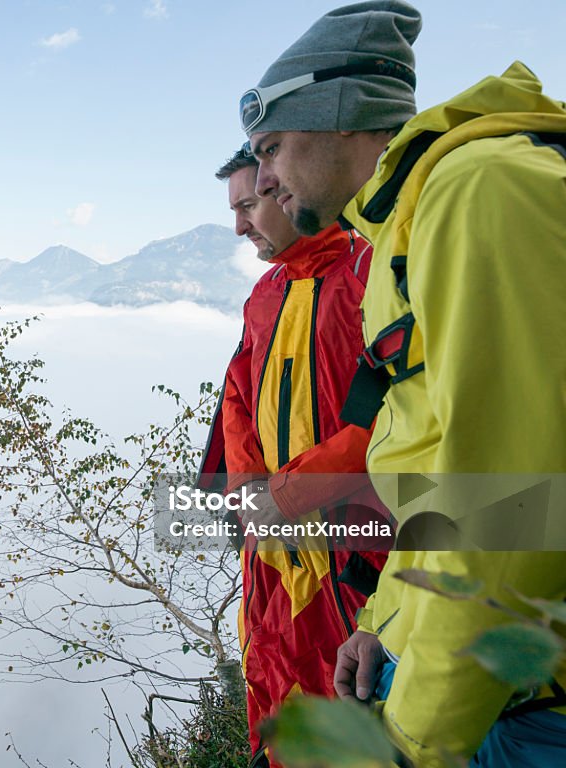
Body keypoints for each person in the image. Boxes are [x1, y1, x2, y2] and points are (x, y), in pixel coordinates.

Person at [241, 1, 566, 765]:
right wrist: (383, 623)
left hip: (528, 703)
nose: (264, 181)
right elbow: (427, 459)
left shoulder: (478, 190)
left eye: (273, 147)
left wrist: (413, 739)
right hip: (483, 684)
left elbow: (513, 503)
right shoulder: (400, 230)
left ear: (344, 116)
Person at [200, 148, 386, 767]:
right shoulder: (265, 294)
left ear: (288, 191)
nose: (239, 226)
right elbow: (238, 398)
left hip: (360, 565)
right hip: (276, 568)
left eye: (248, 204)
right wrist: (249, 495)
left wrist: (279, 500)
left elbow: (392, 420)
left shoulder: (371, 272)